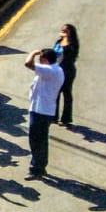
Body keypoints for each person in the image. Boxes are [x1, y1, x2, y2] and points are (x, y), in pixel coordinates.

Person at [24, 47, 64, 179]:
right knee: (40, 139)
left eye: (40, 59)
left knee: (36, 140)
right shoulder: (53, 70)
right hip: (40, 109)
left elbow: (28, 64)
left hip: (41, 110)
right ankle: (39, 165)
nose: (38, 62)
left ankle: (37, 167)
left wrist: (33, 52)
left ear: (45, 60)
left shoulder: (50, 70)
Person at [53, 24, 79, 126]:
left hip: (67, 71)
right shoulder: (58, 42)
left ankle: (66, 118)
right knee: (55, 93)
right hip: (57, 70)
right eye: (62, 30)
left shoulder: (72, 44)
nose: (63, 32)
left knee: (67, 93)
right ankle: (53, 116)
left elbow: (70, 54)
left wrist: (66, 39)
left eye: (66, 31)